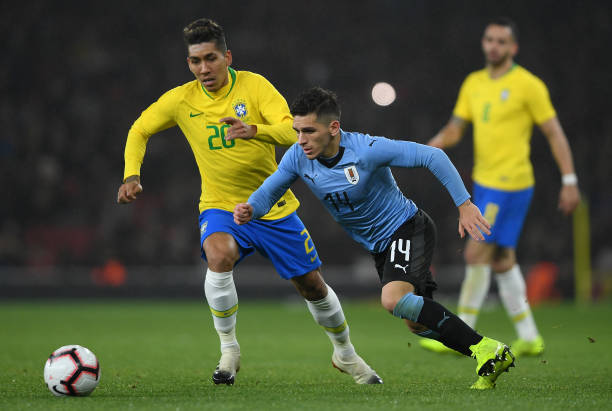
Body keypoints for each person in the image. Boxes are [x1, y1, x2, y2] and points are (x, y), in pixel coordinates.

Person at [117, 18, 381, 386]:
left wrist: (254, 130)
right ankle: (229, 350)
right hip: (221, 206)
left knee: (312, 286)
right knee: (218, 256)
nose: (203, 68)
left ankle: (345, 353)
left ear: (227, 57)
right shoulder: (181, 100)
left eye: (210, 58)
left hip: (271, 205)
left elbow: (294, 131)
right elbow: (140, 128)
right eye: (195, 61)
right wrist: (132, 174)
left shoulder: (254, 87)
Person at [234, 87, 515, 389]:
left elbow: (433, 155)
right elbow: (270, 191)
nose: (301, 139)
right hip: (380, 246)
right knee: (416, 322)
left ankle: (488, 349)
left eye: (309, 131)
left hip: (407, 227)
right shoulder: (298, 157)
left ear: (333, 128)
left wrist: (464, 204)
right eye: (297, 131)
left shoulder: (366, 150)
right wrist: (252, 208)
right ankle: (486, 355)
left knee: (392, 300)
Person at [423, 18, 581, 357]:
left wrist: (569, 180)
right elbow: (455, 129)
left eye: (501, 41)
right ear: (484, 43)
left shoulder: (528, 85)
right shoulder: (473, 83)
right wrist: (428, 148)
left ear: (513, 48)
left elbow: (554, 133)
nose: (494, 46)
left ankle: (458, 334)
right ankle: (530, 335)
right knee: (502, 260)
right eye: (489, 39)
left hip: (510, 183)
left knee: (476, 251)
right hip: (484, 183)